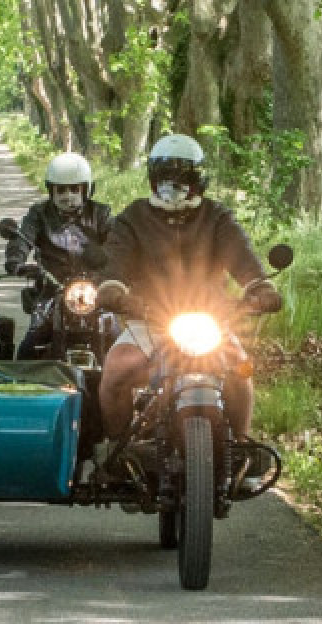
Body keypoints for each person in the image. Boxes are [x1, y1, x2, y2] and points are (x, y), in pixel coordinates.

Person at [93, 134, 282, 473]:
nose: (174, 186)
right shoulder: (133, 217)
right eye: (166, 178)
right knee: (115, 371)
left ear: (199, 181)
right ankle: (123, 451)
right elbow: (114, 264)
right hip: (149, 321)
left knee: (240, 368)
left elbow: (243, 259)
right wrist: (112, 290)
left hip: (212, 321)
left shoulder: (217, 217)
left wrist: (261, 288)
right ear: (153, 179)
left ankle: (239, 448)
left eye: (183, 180)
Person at [4, 152, 112, 360]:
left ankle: (125, 389)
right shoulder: (39, 214)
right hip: (52, 288)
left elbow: (118, 241)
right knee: (30, 344)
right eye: (61, 189)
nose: (67, 195)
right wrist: (15, 261)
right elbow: (23, 238)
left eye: (74, 189)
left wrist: (111, 258)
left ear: (86, 189)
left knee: (118, 336)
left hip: (95, 289)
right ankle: (25, 385)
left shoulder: (101, 214)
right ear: (51, 190)